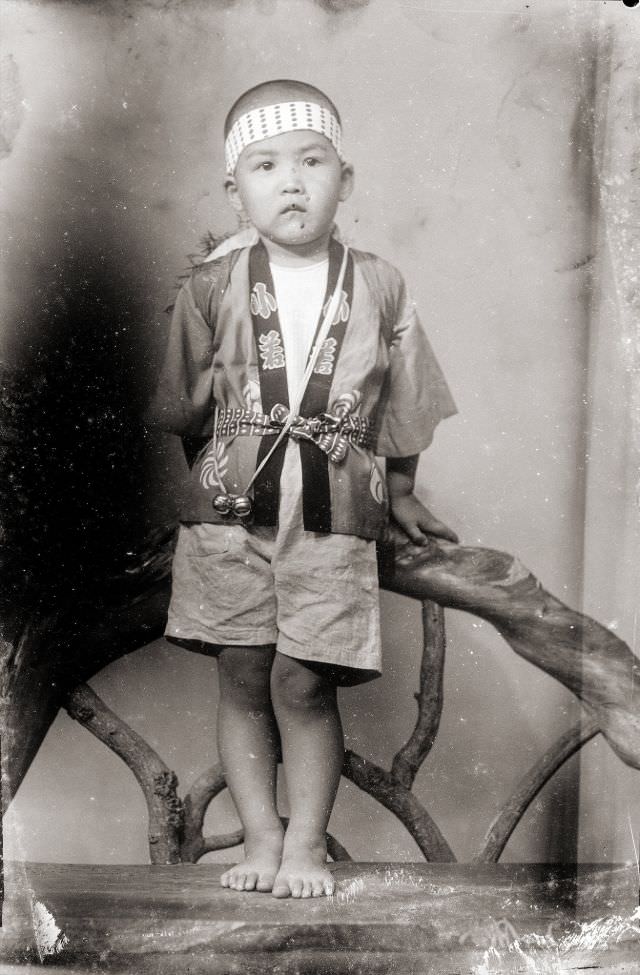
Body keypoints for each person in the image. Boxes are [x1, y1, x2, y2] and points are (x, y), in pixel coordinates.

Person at [148, 79, 458, 899]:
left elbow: (402, 401)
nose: (291, 181)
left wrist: (400, 492)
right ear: (235, 188)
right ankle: (261, 835)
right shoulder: (212, 285)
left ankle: (307, 845)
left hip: (333, 515)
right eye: (265, 164)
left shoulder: (381, 284)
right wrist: (220, 480)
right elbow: (186, 407)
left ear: (344, 180)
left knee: (303, 679)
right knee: (246, 672)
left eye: (312, 161)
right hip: (230, 514)